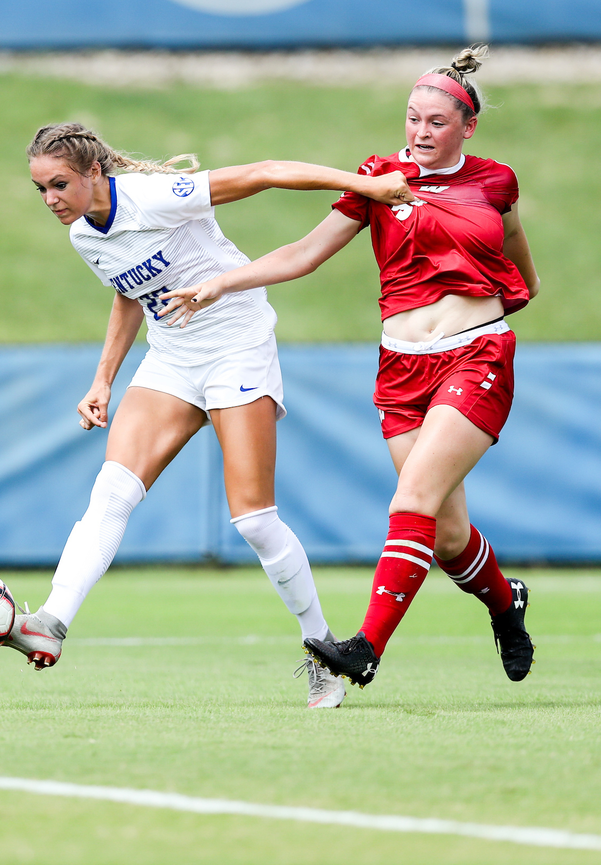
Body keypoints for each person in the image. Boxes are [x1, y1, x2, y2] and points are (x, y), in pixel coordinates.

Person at [160, 45, 538, 689]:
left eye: (437, 123)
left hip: (476, 356)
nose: (420, 132)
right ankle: (507, 606)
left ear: (468, 127)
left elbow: (517, 260)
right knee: (446, 537)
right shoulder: (379, 180)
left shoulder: (495, 180)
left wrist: (495, 310)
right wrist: (220, 283)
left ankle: (364, 648)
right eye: (413, 119)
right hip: (401, 367)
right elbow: (306, 251)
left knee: (411, 498)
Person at [4, 123, 414, 708]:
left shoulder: (150, 197)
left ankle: (322, 649)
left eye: (59, 184)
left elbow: (264, 172)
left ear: (94, 172)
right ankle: (51, 621)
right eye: (40, 189)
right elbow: (127, 291)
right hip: (172, 356)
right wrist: (102, 380)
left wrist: (365, 187)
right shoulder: (83, 236)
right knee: (112, 493)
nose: (50, 200)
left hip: (237, 346)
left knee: (254, 521)